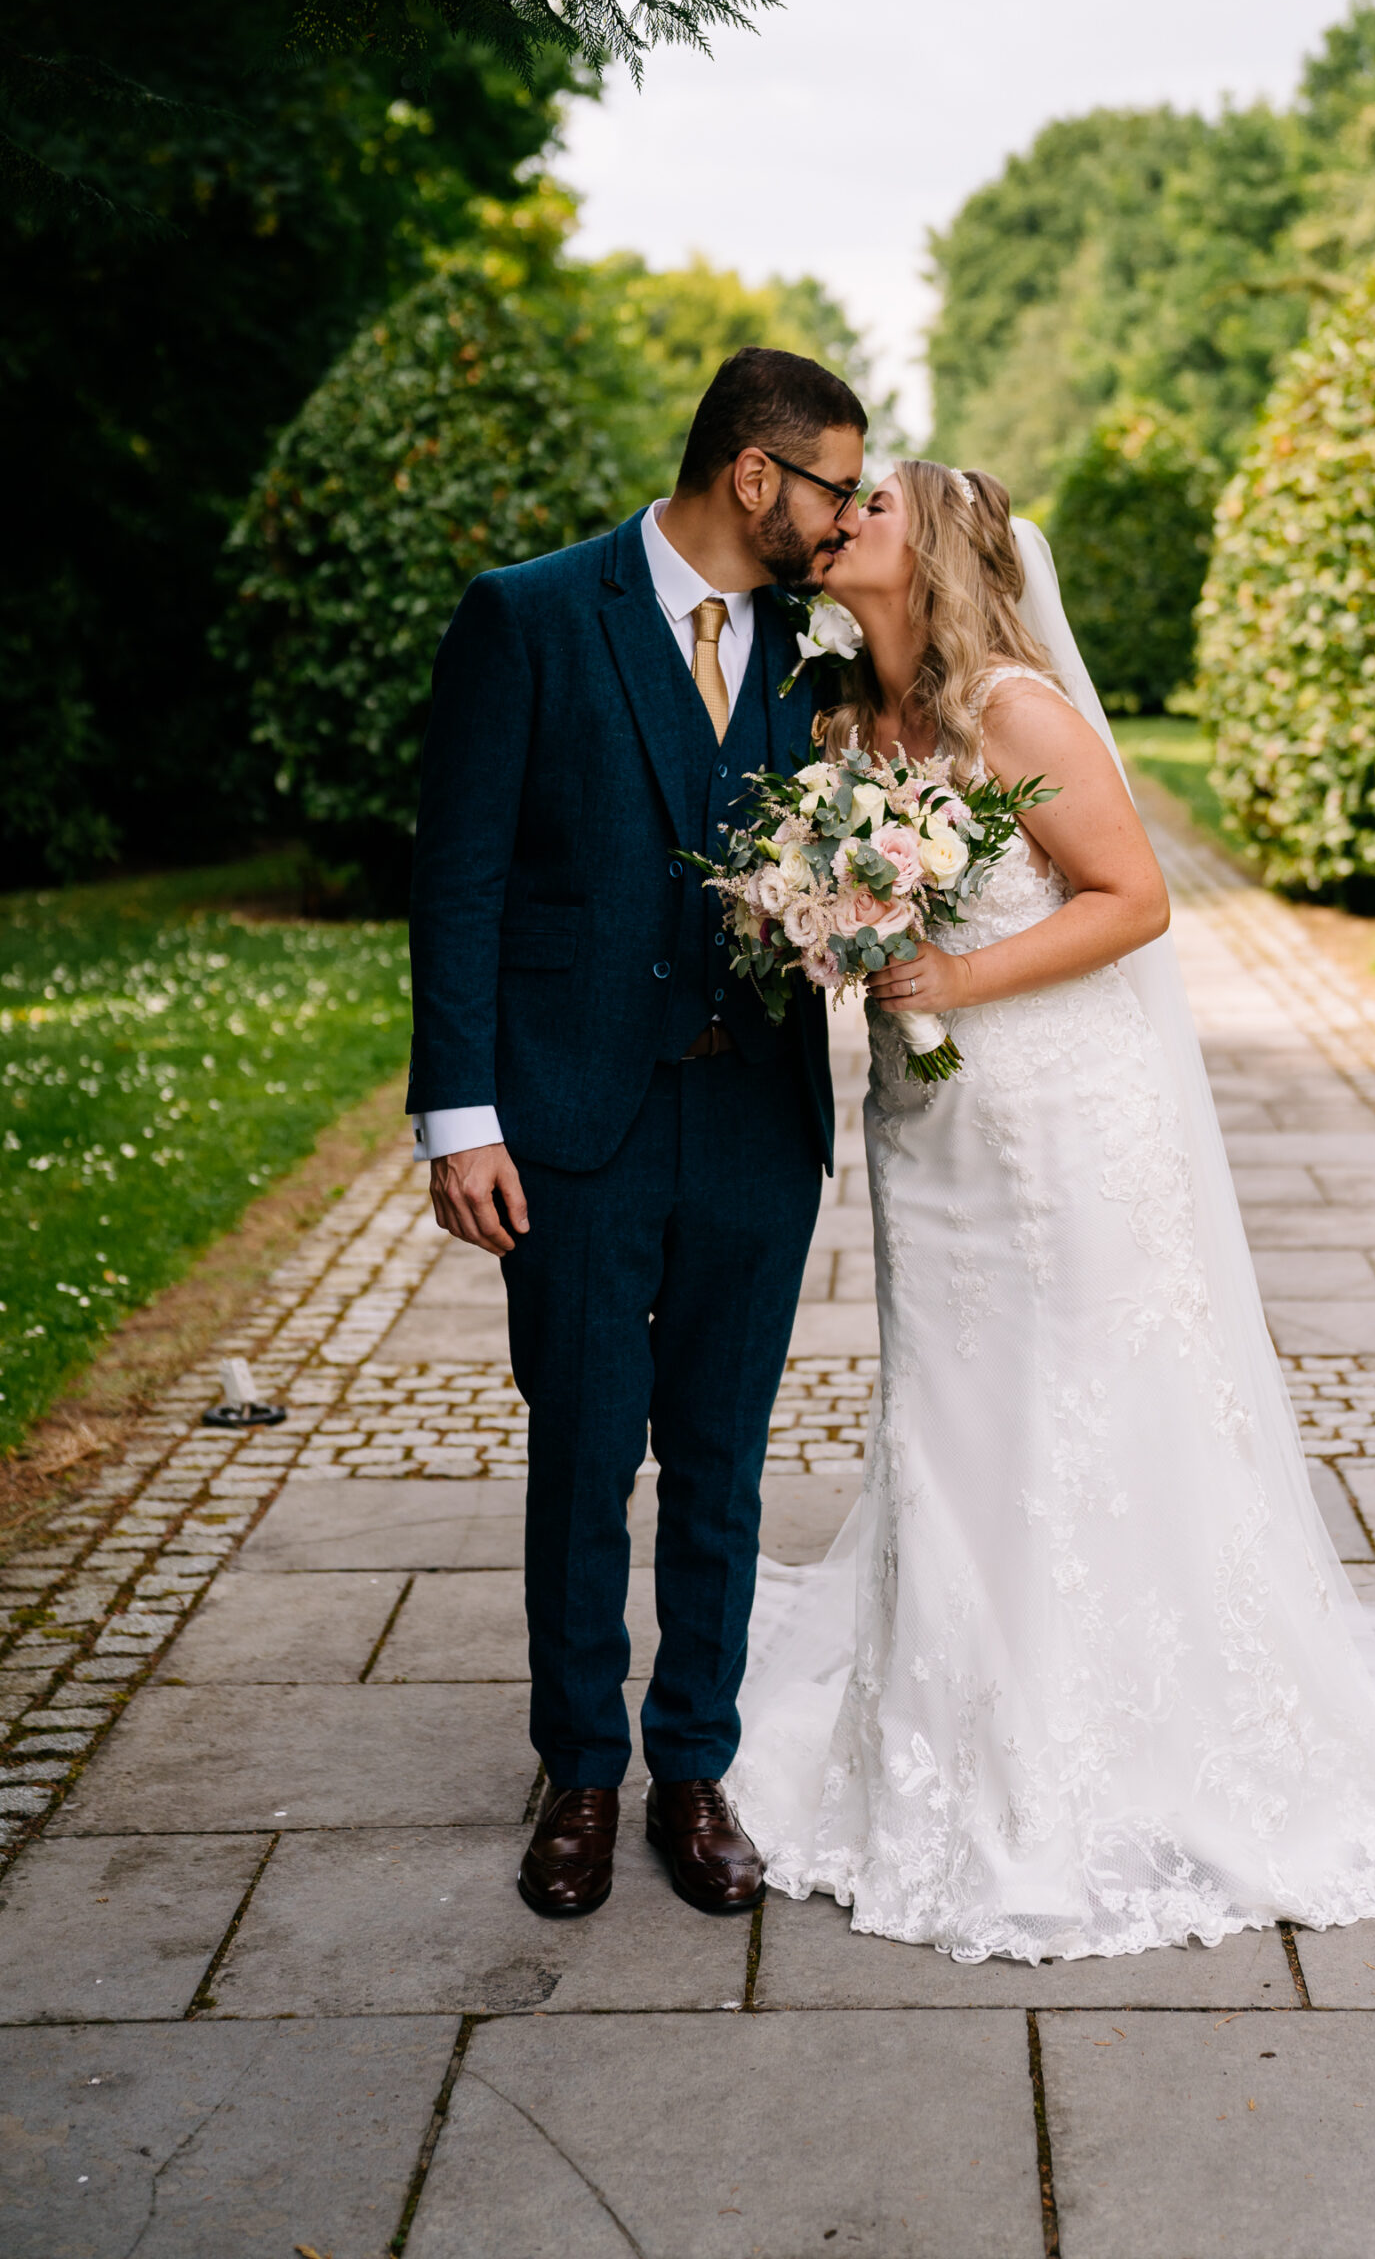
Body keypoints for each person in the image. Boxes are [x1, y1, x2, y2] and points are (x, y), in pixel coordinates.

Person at [725, 459, 1375, 1966]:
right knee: (948, 1415)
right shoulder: (842, 717)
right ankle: (950, 1735)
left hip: (1062, 1115)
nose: (839, 520)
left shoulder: (1011, 705)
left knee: (1080, 1408)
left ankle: (1115, 1753)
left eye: (869, 506)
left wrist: (949, 978)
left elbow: (1133, 897)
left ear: (927, 545)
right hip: (928, 1129)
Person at [407, 347, 867, 1921]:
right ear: (757, 474)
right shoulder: (531, 614)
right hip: (573, 1121)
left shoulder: (825, 654)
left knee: (724, 1466)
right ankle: (581, 1774)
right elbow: (460, 875)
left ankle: (695, 1769)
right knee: (585, 1455)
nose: (846, 517)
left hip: (755, 1118)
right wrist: (458, 1118)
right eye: (834, 488)